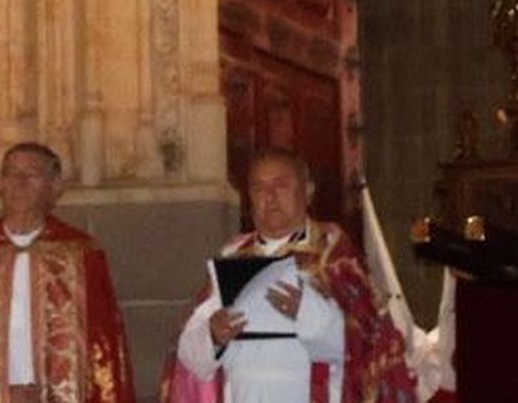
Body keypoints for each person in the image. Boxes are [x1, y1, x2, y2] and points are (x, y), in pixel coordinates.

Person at [164, 148, 417, 403]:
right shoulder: (233, 259)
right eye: (259, 188)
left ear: (308, 191)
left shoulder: (336, 259)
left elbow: (364, 347)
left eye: (281, 185)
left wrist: (308, 311)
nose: (270, 197)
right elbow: (189, 359)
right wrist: (212, 336)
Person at [0, 142, 134, 402]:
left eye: (32, 173)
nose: (19, 182)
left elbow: (103, 344)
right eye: (11, 173)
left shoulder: (81, 255)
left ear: (55, 187)